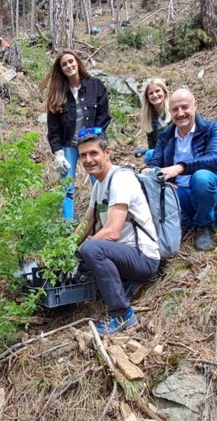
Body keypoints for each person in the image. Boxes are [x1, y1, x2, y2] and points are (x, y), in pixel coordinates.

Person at [75, 128, 160, 336]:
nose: (88, 160)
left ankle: (123, 316)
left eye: (93, 153)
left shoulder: (120, 179)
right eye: (83, 155)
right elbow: (87, 222)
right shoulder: (99, 186)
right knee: (83, 257)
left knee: (91, 250)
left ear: (107, 153)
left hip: (143, 256)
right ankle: (126, 284)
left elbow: (112, 232)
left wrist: (81, 249)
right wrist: (66, 249)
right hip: (123, 254)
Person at [146, 88, 217, 251]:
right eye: (175, 109)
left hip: (210, 194)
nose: (180, 113)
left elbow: (215, 159)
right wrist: (149, 171)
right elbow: (154, 162)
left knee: (201, 178)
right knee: (153, 184)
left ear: (195, 106)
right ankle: (183, 221)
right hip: (180, 192)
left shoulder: (213, 129)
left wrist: (180, 168)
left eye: (185, 107)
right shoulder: (165, 136)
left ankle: (204, 225)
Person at [41, 49, 111, 220]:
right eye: (64, 64)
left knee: (100, 183)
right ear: (61, 69)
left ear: (78, 62)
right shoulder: (58, 94)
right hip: (68, 144)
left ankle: (104, 219)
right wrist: (58, 153)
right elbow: (54, 128)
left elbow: (104, 116)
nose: (68, 66)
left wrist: (95, 134)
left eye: (71, 61)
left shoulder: (95, 86)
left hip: (92, 142)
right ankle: (67, 227)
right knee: (67, 186)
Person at [139, 78, 172, 163]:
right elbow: (152, 146)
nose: (155, 95)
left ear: (164, 92)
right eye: (151, 93)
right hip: (160, 154)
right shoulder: (148, 119)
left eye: (157, 91)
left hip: (176, 151)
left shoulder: (174, 110)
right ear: (147, 98)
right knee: (150, 154)